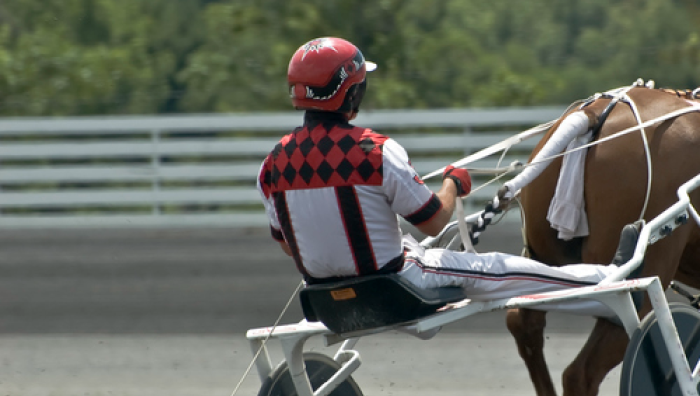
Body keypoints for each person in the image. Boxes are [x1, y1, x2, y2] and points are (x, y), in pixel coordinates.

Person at [256, 37, 629, 318]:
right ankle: (609, 280)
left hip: (323, 300)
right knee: (496, 267)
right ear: (351, 93)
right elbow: (434, 219)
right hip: (398, 284)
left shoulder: (272, 164)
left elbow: (291, 245)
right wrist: (453, 183)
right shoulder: (375, 151)